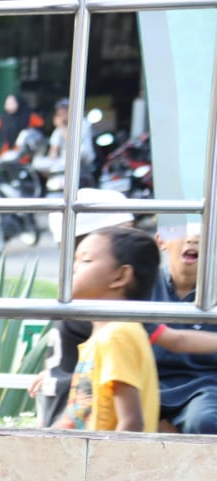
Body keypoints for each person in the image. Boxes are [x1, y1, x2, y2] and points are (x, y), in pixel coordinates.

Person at [52, 226, 161, 432]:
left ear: (120, 277)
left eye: (86, 261)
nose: (73, 268)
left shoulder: (118, 335)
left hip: (104, 460)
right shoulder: (103, 335)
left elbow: (131, 423)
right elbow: (79, 413)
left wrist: (107, 464)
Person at [148, 225, 217, 433]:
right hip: (144, 380)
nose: (193, 238)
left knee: (205, 421)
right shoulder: (141, 283)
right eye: (183, 230)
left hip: (205, 388)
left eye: (203, 231)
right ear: (161, 240)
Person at [47, 99, 96, 186]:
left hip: (82, 160)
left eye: (66, 110)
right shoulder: (58, 130)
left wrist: (61, 126)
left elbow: (72, 143)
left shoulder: (82, 123)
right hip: (63, 164)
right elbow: (53, 151)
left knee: (77, 154)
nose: (63, 114)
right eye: (61, 112)